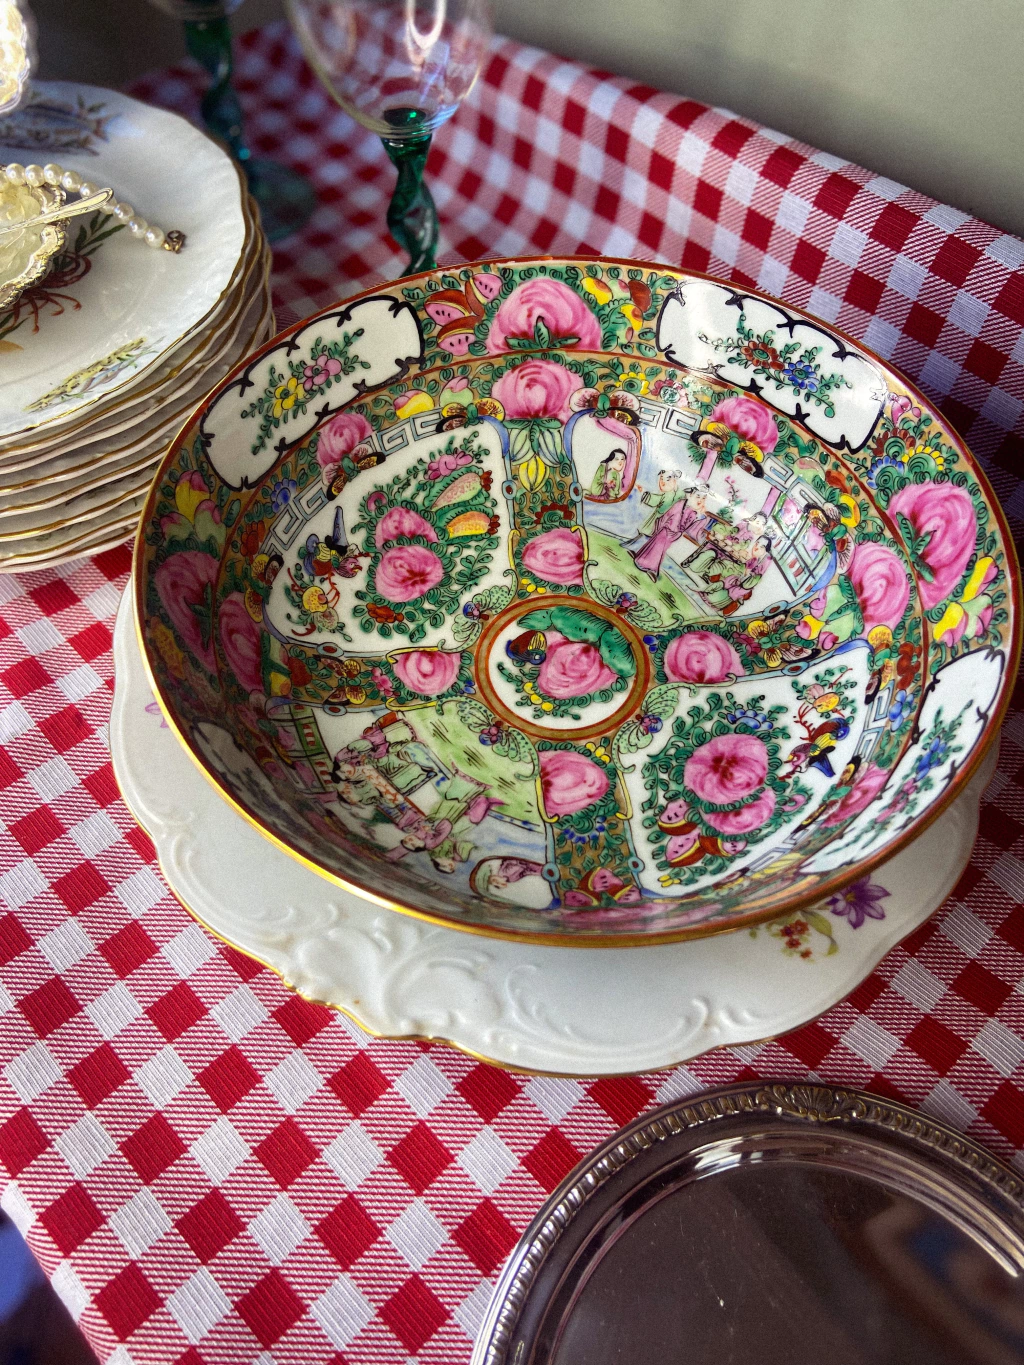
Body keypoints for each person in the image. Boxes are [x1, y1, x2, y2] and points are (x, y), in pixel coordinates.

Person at [632, 481, 712, 581]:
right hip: (667, 528)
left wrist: (695, 520)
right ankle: (644, 563)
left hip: (674, 533)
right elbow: (669, 514)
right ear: (691, 495)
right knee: (656, 546)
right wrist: (662, 525)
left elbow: (686, 526)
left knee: (660, 549)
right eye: (698, 496)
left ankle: (647, 564)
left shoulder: (694, 512)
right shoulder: (681, 503)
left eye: (703, 498)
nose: (700, 500)